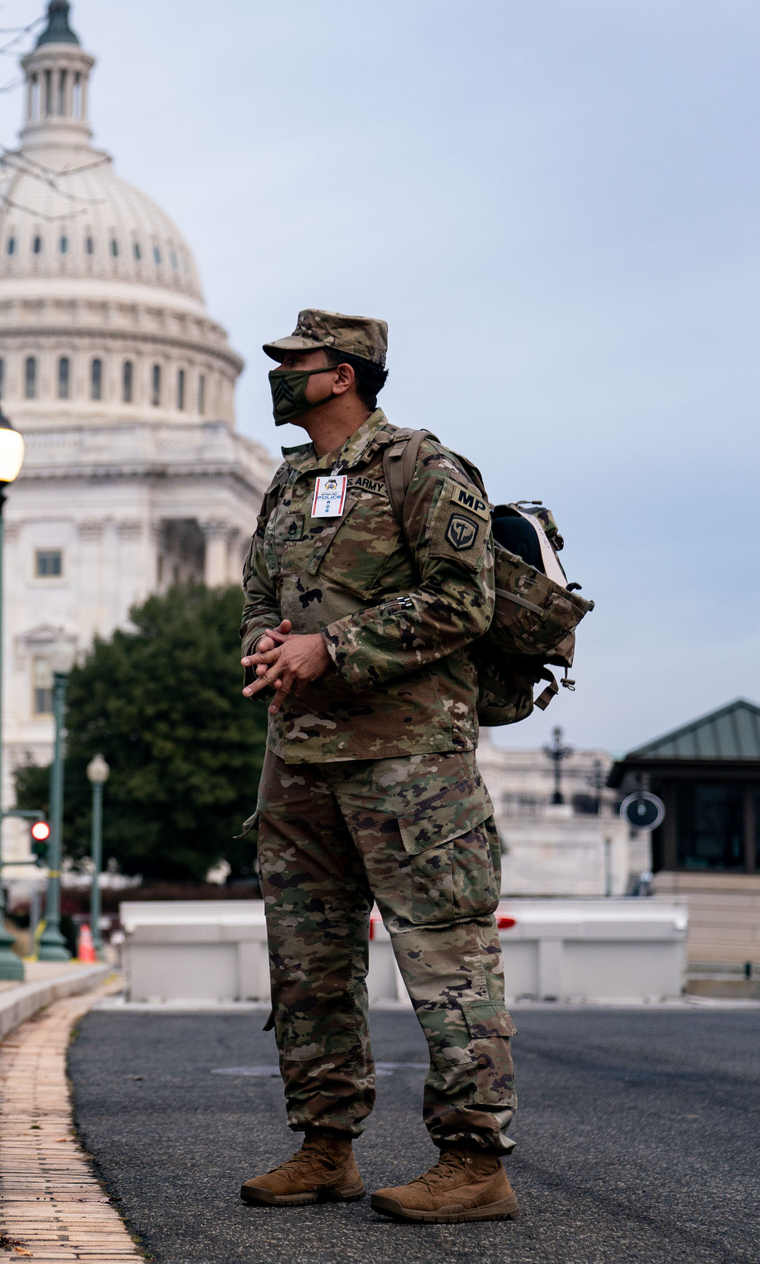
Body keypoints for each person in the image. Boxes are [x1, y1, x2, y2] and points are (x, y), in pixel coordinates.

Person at [237, 309, 515, 1223]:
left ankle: (474, 1162)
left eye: (295, 361)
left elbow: (463, 602)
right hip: (302, 760)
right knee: (309, 963)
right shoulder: (289, 482)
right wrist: (269, 643)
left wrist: (333, 647)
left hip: (411, 764)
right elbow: (258, 593)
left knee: (448, 958)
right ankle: (325, 1147)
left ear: (344, 374)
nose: (278, 372)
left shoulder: (421, 468)